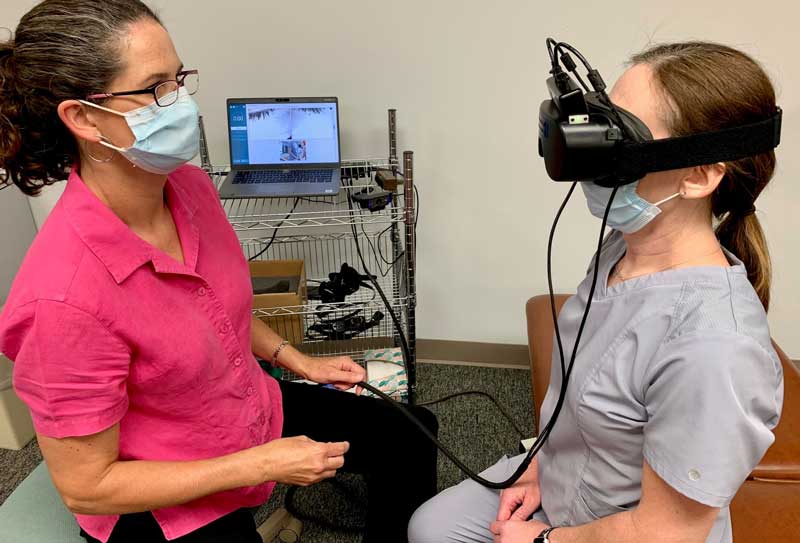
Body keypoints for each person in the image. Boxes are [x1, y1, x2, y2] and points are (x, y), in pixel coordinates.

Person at [0, 2, 437, 542]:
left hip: (242, 409)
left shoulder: (190, 188)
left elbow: (216, 309)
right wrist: (260, 465)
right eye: (156, 88)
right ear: (84, 117)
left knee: (414, 434)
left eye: (179, 79)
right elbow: (88, 486)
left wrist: (298, 360)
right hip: (157, 495)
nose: (181, 102)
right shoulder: (60, 301)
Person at [408, 41, 784, 543]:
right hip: (564, 476)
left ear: (699, 176)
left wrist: (543, 541)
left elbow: (664, 533)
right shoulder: (624, 245)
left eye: (620, 136)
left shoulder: (716, 348)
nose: (593, 149)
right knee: (428, 528)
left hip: (628, 531)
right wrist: (539, 463)